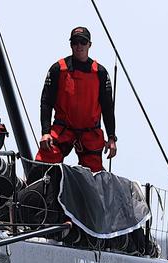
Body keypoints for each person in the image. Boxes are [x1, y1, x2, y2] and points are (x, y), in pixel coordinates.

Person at [35, 26, 117, 173]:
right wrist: (45, 132)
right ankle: (36, 193)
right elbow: (46, 102)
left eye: (83, 42)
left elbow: (107, 107)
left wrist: (111, 138)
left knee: (95, 175)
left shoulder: (100, 72)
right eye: (75, 42)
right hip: (62, 130)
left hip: (90, 133)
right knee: (43, 165)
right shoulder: (58, 69)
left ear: (89, 45)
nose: (79, 46)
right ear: (71, 44)